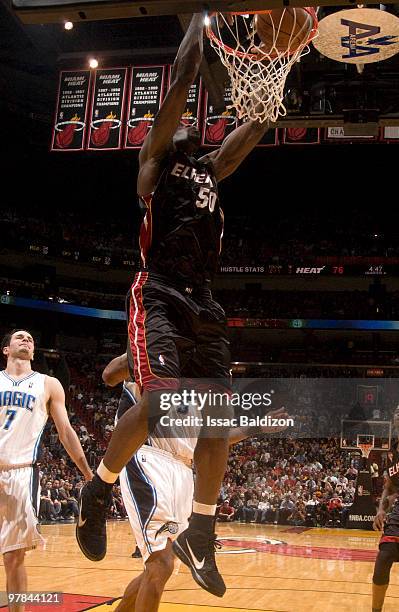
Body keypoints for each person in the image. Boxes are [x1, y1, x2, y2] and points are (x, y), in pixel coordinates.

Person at [76, 11, 270, 598]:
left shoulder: (211, 170)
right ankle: (98, 485)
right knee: (162, 404)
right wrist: (201, 18)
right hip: (158, 289)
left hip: (204, 302)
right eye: (177, 122)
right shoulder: (154, 167)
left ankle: (204, 530)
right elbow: (185, 75)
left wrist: (270, 76)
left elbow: (256, 125)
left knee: (218, 419)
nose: (186, 125)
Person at [102, 353, 288, 612]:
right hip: (149, 456)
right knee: (161, 564)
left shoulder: (207, 377)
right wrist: (138, 354)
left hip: (184, 469)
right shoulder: (156, 349)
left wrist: (257, 426)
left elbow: (214, 438)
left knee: (162, 568)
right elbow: (109, 375)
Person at [0, 329, 93, 612]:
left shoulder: (48, 384)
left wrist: (89, 474)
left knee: (13, 558)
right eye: (19, 337)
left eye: (30, 339)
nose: (26, 340)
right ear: (6, 349)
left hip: (22, 473)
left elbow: (65, 432)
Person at [372, 406, 399, 612]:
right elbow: (389, 486)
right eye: (396, 410)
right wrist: (381, 510)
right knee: (383, 559)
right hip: (397, 516)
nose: (397, 412)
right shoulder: (393, 451)